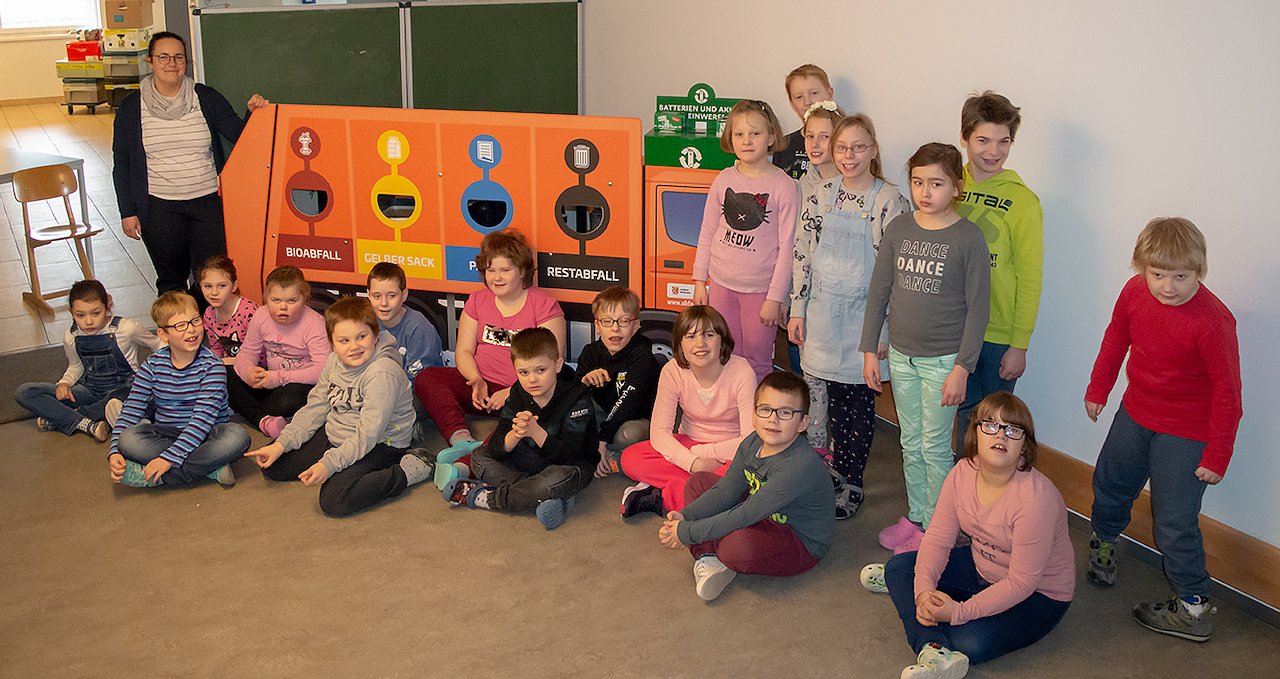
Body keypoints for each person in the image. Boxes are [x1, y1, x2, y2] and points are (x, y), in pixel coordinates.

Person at [1084, 217, 1242, 642]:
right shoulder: (1134, 292)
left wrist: (1217, 454)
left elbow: (1228, 392)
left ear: (1199, 271)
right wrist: (1098, 388)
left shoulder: (1213, 321)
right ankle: (1104, 542)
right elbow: (1116, 338)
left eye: (1181, 277)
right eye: (1157, 274)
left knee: (1174, 520)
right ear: (1142, 268)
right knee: (1111, 483)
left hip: (1187, 431)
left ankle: (1193, 607)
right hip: (1136, 412)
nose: (1168, 287)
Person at [861, 393, 1073, 679]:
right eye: (991, 425)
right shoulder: (962, 472)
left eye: (1013, 430)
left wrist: (958, 612)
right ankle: (933, 648)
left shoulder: (1036, 499)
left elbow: (1021, 583)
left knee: (969, 641)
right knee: (899, 567)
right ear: (975, 433)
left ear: (1024, 445)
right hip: (981, 567)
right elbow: (938, 538)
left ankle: (921, 612)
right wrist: (923, 592)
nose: (1001, 436)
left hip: (1038, 595)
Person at [861, 143, 991, 553]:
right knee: (910, 442)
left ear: (957, 186)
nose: (925, 192)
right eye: (918, 182)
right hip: (901, 357)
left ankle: (939, 528)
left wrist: (962, 368)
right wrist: (870, 349)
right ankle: (918, 516)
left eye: (936, 183)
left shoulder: (968, 237)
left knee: (934, 448)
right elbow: (879, 291)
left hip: (944, 362)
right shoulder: (900, 228)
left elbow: (978, 310)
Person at [790, 113, 911, 519]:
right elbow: (802, 255)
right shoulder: (820, 195)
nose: (849, 155)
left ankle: (852, 479)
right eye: (841, 147)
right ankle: (823, 470)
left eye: (858, 147)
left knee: (855, 407)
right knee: (819, 399)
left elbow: (896, 274)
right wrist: (797, 309)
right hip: (822, 315)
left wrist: (885, 330)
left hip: (864, 321)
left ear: (873, 150)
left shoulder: (889, 201)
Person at [243, 297, 434, 517]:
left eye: (361, 337)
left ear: (375, 335)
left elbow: (368, 434)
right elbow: (315, 408)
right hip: (338, 432)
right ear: (332, 344)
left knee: (334, 500)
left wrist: (328, 464)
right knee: (273, 464)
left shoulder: (382, 372)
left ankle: (409, 469)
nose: (354, 346)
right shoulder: (334, 360)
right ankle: (331, 457)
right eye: (344, 340)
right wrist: (281, 444)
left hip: (381, 443)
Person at [111, 30, 268, 296]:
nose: (171, 63)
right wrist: (128, 211)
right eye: (163, 57)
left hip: (207, 203)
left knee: (211, 279)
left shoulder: (205, 97)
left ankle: (207, 325)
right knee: (172, 282)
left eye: (178, 57)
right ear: (150, 61)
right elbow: (123, 162)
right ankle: (176, 324)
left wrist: (254, 114)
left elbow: (239, 136)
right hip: (158, 207)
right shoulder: (131, 107)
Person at [658, 372, 834, 601]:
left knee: (736, 548)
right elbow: (727, 490)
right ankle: (709, 558)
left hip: (797, 539)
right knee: (698, 482)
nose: (773, 420)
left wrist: (687, 532)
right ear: (754, 414)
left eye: (785, 412)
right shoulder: (752, 442)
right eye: (765, 409)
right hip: (760, 511)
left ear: (803, 423)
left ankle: (713, 552)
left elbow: (746, 514)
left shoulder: (798, 465)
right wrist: (686, 516)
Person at [413, 229, 565, 487]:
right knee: (428, 378)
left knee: (523, 421)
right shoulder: (477, 300)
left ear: (522, 271)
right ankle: (460, 440)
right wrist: (475, 379)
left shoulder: (544, 306)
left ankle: (464, 466)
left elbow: (552, 365)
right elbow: (463, 351)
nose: (496, 277)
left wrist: (512, 392)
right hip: (481, 390)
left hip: (523, 392)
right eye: (490, 270)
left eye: (505, 270)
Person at [951, 92, 1044, 454]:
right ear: (965, 138)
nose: (993, 151)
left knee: (992, 422)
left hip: (997, 335)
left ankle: (986, 484)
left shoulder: (1023, 201)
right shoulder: (948, 184)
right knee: (958, 414)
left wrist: (1019, 344)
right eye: (983, 140)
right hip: (952, 326)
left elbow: (1030, 277)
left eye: (1003, 141)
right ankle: (960, 480)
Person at [442, 328, 596, 531]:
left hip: (569, 466)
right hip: (529, 460)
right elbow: (496, 447)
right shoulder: (518, 391)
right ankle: (545, 496)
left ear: (557, 365)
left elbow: (569, 456)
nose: (532, 379)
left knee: (558, 478)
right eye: (524, 372)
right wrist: (514, 435)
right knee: (479, 458)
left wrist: (536, 433)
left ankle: (489, 498)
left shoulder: (578, 396)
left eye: (541, 370)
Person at [692, 99, 799, 381]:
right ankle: (730, 406)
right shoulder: (723, 179)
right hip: (721, 285)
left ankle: (756, 408)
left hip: (760, 291)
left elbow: (787, 248)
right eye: (739, 134)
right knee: (724, 354)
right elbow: (707, 231)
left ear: (771, 137)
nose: (747, 141)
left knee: (757, 360)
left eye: (755, 133)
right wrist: (700, 280)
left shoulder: (783, 186)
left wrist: (775, 297)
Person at [618, 305, 756, 518]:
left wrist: (705, 454)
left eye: (709, 335)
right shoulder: (672, 371)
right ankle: (692, 494)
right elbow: (660, 433)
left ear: (722, 340)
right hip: (687, 444)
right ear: (680, 345)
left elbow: (750, 441)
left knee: (745, 476)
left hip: (729, 452)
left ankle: (661, 494)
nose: (700, 344)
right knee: (630, 458)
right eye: (690, 336)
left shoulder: (742, 371)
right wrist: (693, 463)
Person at [108, 292, 250, 487]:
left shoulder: (212, 366)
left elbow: (203, 419)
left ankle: (162, 477)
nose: (191, 330)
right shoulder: (152, 365)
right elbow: (132, 408)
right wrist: (115, 450)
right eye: (180, 326)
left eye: (195, 321)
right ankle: (209, 467)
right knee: (128, 440)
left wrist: (167, 459)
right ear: (163, 335)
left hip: (209, 432)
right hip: (168, 434)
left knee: (237, 437)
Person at [15, 279, 160, 441]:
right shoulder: (71, 336)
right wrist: (65, 383)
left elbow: (157, 343)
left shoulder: (126, 328)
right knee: (25, 392)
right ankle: (87, 423)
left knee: (129, 398)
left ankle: (68, 417)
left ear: (107, 306)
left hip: (123, 390)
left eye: (96, 313)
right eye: (80, 315)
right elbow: (76, 366)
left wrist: (155, 369)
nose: (89, 321)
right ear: (71, 312)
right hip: (90, 390)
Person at [787, 100, 845, 462]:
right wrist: (795, 302)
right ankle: (814, 446)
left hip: (842, 301)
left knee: (840, 380)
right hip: (807, 296)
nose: (815, 144)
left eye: (825, 137)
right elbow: (798, 248)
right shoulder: (801, 184)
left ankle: (839, 445)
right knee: (810, 378)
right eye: (810, 136)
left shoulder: (850, 185)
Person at [229, 266, 329, 437]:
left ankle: (251, 410)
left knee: (291, 398)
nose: (283, 307)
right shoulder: (260, 315)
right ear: (265, 297)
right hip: (268, 382)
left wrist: (279, 378)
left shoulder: (315, 323)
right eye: (275, 300)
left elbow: (323, 371)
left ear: (304, 298)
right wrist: (248, 372)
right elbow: (247, 352)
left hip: (298, 385)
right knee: (222, 373)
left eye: (292, 301)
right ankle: (264, 420)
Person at [574, 286, 660, 478]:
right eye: (607, 321)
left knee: (628, 435)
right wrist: (584, 382)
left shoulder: (642, 356)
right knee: (574, 419)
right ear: (597, 326)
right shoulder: (590, 352)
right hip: (602, 415)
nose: (615, 328)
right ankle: (603, 454)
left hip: (633, 418)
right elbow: (572, 398)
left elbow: (627, 402)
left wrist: (602, 440)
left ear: (635, 325)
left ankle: (601, 453)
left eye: (624, 321)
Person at [366, 261, 442, 382]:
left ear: (404, 295)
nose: (384, 303)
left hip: (416, 389)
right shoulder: (365, 322)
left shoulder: (419, 329)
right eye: (377, 296)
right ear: (369, 295)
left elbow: (420, 380)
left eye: (392, 296)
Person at [772, 64, 836, 180]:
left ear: (830, 94)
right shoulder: (783, 146)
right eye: (799, 97)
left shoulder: (845, 141)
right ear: (792, 103)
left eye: (814, 93)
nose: (807, 102)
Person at [198, 255, 258, 364]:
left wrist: (223, 362)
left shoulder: (249, 312)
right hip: (226, 365)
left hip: (253, 367)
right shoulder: (209, 314)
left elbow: (257, 354)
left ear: (234, 286)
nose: (214, 292)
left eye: (222, 286)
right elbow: (216, 349)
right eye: (208, 286)